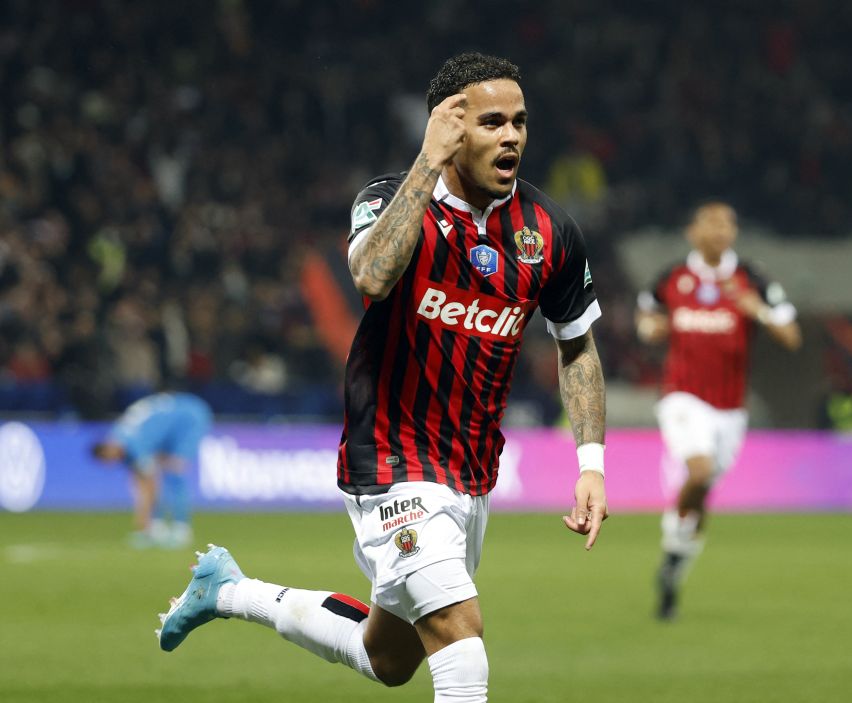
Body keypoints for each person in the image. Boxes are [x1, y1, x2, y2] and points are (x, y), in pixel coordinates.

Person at [156, 53, 608, 703]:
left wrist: (589, 461)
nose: (510, 135)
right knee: (461, 639)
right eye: (490, 122)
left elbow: (577, 346)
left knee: (389, 656)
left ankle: (227, 590)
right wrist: (428, 164)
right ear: (448, 126)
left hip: (471, 469)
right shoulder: (386, 199)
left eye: (519, 122)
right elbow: (370, 275)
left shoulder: (550, 231)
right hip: (392, 458)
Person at [635, 202, 801, 620]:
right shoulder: (673, 278)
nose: (720, 230)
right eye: (711, 223)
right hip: (682, 396)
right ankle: (674, 532)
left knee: (704, 491)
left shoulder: (752, 279)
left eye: (727, 223)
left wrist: (757, 310)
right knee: (700, 471)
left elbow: (792, 337)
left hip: (730, 409)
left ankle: (675, 564)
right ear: (692, 232)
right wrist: (650, 328)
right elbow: (646, 317)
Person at [91, 391, 212, 548]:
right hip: (169, 423)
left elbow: (150, 482)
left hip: (189, 417)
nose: (112, 462)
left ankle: (181, 530)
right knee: (157, 474)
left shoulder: (134, 443)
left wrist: (142, 519)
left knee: (175, 472)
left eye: (109, 459)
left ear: (109, 449)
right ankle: (156, 528)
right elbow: (139, 479)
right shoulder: (121, 440)